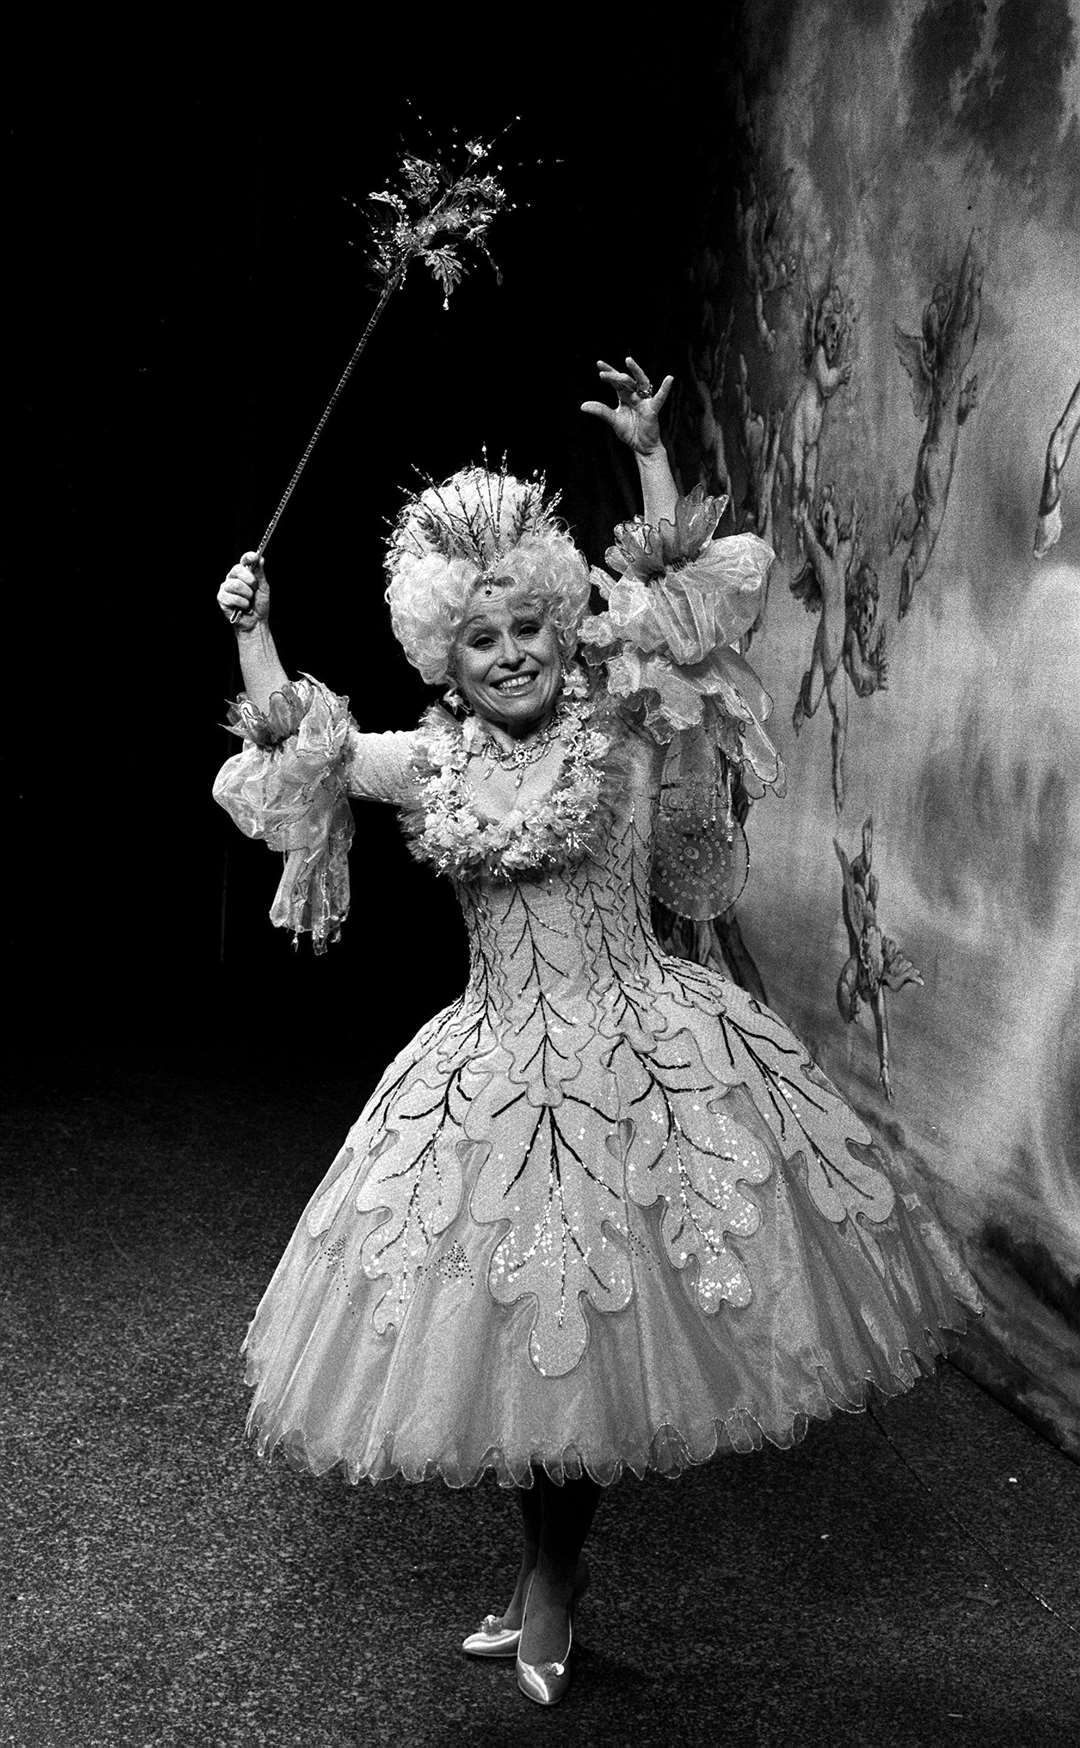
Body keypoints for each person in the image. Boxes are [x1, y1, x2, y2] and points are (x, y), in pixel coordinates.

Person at [214, 357, 980, 1708]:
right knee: (516, 1342)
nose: (508, 654)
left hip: (646, 1064)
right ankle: (536, 1580)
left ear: (568, 626)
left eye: (528, 629)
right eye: (479, 639)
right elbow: (305, 754)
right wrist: (251, 633)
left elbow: (692, 610)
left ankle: (554, 1585)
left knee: (582, 1334)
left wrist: (649, 455)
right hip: (493, 1075)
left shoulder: (625, 721)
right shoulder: (440, 763)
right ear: (442, 653)